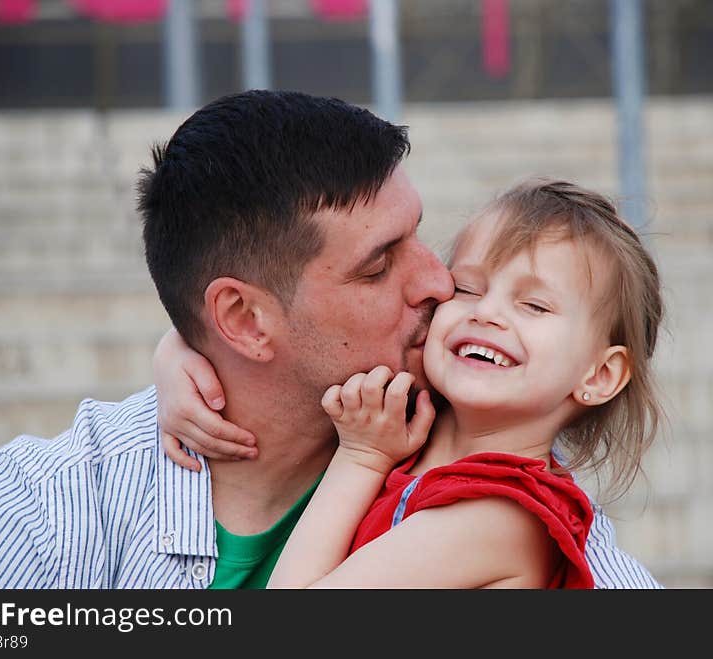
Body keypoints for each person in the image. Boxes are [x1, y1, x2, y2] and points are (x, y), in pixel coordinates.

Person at [0, 89, 657, 589]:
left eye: (420, 238)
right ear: (242, 321)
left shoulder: (455, 443)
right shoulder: (47, 514)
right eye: (379, 265)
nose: (438, 285)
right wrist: (177, 352)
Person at [155, 180, 666, 588]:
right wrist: (177, 353)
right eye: (467, 288)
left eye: (533, 306)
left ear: (599, 375)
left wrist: (362, 457)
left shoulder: (502, 517)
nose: (487, 314)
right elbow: (260, 341)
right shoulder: (411, 420)